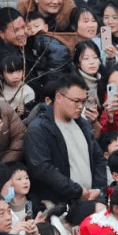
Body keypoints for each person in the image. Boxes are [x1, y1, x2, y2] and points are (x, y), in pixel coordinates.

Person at [24, 76, 106, 204]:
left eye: (83, 101)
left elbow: (98, 158)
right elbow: (43, 169)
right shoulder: (39, 129)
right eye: (76, 101)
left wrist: (98, 189)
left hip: (91, 199)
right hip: (60, 204)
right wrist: (77, 191)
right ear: (58, 97)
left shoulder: (83, 124)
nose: (80, 106)